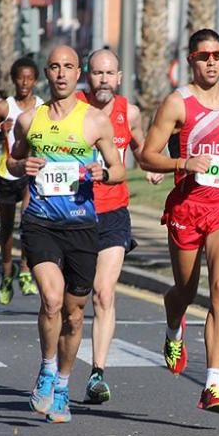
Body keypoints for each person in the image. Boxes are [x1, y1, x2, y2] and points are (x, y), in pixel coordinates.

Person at [138, 28, 219, 415]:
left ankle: (213, 386)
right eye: (204, 56)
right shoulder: (177, 104)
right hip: (188, 208)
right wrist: (182, 163)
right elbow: (146, 156)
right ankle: (173, 326)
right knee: (185, 291)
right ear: (190, 60)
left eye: (218, 55)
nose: (212, 62)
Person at [6, 45, 125, 423]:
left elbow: (119, 168)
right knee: (52, 300)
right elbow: (11, 159)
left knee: (75, 316)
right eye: (55, 67)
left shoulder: (95, 121)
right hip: (40, 222)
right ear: (47, 72)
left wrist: (104, 174)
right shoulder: (29, 120)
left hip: (81, 227)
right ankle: (45, 368)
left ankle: (61, 384)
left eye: (69, 67)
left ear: (79, 74)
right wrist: (22, 163)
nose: (61, 74)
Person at [76, 48, 163, 403]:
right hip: (74, 211)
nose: (103, 80)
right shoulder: (74, 108)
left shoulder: (131, 112)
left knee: (104, 292)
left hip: (114, 213)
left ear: (120, 77)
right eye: (97, 73)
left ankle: (97, 373)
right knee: (70, 302)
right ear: (88, 75)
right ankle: (55, 363)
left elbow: (141, 148)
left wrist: (151, 166)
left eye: (110, 73)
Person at [0, 60, 42, 304]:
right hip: (6, 172)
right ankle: (7, 272)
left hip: (30, 172)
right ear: (14, 79)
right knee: (7, 227)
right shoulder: (2, 107)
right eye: (21, 78)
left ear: (35, 81)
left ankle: (26, 270)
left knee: (28, 222)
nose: (25, 83)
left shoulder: (42, 108)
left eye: (29, 78)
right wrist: (0, 131)